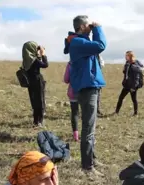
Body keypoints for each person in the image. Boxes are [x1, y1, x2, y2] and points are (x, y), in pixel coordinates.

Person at [63, 15, 106, 176]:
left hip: (89, 86)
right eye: (88, 24)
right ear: (82, 27)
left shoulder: (79, 42)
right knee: (88, 128)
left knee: (91, 127)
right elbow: (101, 45)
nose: (91, 26)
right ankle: (87, 166)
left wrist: (92, 31)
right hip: (87, 88)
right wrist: (98, 28)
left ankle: (92, 159)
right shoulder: (78, 42)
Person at [22, 41, 48, 127]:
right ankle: (39, 121)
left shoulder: (26, 60)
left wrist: (38, 54)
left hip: (30, 82)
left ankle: (35, 120)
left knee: (34, 101)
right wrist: (43, 54)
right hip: (37, 81)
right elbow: (45, 64)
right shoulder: (34, 60)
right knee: (40, 101)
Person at [115, 51, 144, 116]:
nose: (125, 57)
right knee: (121, 98)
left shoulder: (135, 65)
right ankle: (116, 112)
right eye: (125, 55)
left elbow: (136, 77)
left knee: (134, 99)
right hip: (127, 85)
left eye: (127, 56)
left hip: (132, 86)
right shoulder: (127, 63)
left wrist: (134, 87)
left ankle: (135, 113)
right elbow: (125, 72)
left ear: (130, 56)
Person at [63, 61, 79, 141]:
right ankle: (87, 134)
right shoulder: (87, 60)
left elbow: (66, 80)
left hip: (73, 91)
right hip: (86, 92)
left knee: (75, 113)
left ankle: (76, 135)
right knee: (87, 114)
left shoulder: (70, 64)